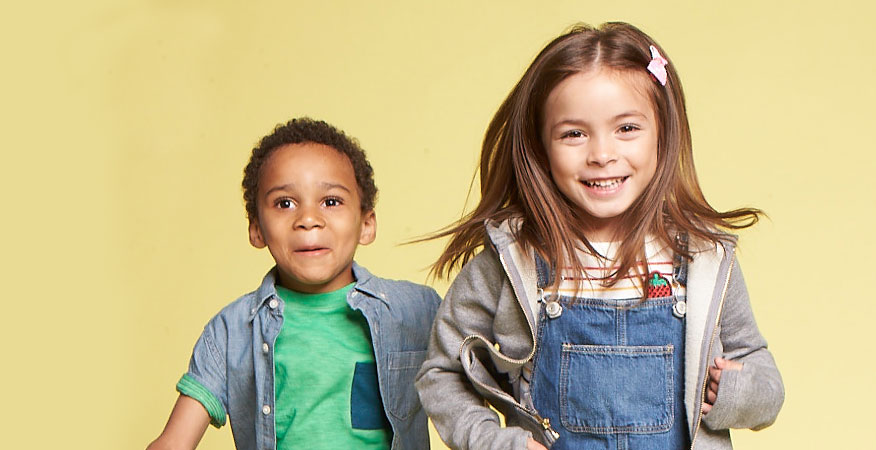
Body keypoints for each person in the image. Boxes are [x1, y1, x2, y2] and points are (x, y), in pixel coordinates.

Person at [415, 22, 784, 450]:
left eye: (626, 128)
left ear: (663, 134)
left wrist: (737, 393)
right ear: (540, 146)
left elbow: (765, 381)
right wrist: (495, 442)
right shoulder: (513, 259)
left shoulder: (702, 259)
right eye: (573, 134)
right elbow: (441, 372)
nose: (602, 155)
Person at [147, 118, 441, 450]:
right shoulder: (232, 332)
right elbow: (173, 443)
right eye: (285, 203)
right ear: (257, 229)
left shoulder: (417, 312)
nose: (308, 219)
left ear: (366, 224)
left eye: (331, 201)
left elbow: (487, 391)